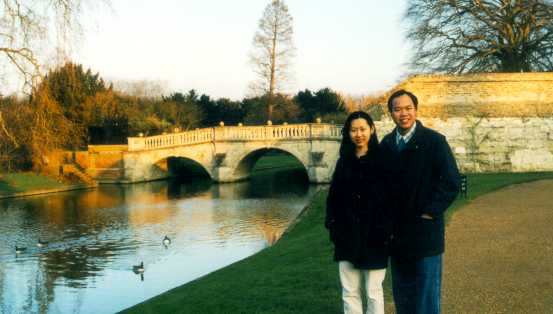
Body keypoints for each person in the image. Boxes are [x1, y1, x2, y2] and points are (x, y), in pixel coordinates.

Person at [379, 90, 460, 314]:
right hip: (397, 234)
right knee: (403, 293)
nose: (403, 113)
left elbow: (451, 182)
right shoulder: (386, 145)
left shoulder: (434, 141)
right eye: (397, 109)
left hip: (425, 231)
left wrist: (430, 212)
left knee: (426, 293)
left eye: (408, 108)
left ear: (415, 110)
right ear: (391, 114)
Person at [325, 111, 391, 314]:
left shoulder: (384, 160)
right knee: (350, 291)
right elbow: (333, 198)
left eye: (362, 129)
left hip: (376, 237)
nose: (358, 134)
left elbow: (392, 199)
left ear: (371, 129)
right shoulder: (344, 161)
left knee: (373, 291)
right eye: (353, 130)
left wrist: (386, 230)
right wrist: (333, 226)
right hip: (347, 236)